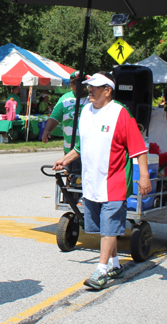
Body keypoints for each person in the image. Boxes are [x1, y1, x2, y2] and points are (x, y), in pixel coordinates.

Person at [52, 72, 152, 290]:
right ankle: (115, 264)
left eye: (95, 87)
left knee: (108, 228)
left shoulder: (120, 113)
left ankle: (101, 270)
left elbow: (138, 148)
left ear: (108, 91)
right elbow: (80, 146)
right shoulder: (86, 111)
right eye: (89, 86)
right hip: (91, 182)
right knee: (103, 228)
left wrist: (144, 177)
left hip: (114, 181)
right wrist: (64, 159)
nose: (90, 89)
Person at [42, 71, 90, 154]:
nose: (79, 85)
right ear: (71, 85)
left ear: (86, 84)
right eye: (75, 83)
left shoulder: (93, 97)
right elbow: (55, 116)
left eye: (82, 82)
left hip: (89, 150)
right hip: (70, 150)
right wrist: (47, 131)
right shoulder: (64, 99)